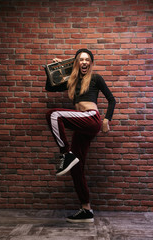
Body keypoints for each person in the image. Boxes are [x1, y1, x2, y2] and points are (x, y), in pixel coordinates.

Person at [45, 48, 116, 223]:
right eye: (80, 60)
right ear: (77, 63)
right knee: (77, 167)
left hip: (91, 118)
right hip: (82, 125)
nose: (84, 62)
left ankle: (65, 153)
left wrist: (106, 120)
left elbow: (112, 99)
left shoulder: (96, 78)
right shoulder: (71, 80)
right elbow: (49, 87)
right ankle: (86, 210)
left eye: (87, 60)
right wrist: (56, 69)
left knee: (53, 115)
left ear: (90, 63)